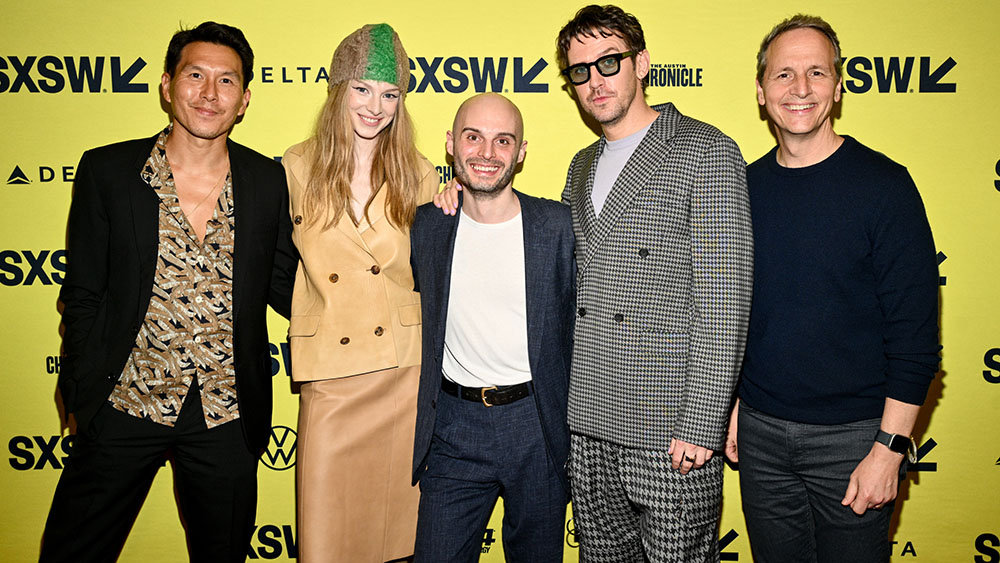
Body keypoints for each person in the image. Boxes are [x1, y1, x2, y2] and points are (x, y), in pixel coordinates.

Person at [40, 21, 297, 562]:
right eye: (196, 75)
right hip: (123, 401)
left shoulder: (267, 182)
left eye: (227, 81)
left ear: (245, 98)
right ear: (166, 84)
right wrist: (86, 394)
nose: (210, 93)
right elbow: (82, 292)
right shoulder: (109, 170)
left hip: (226, 415)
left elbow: (289, 287)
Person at [724, 15, 939, 563]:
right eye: (784, 74)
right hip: (761, 435)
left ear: (838, 87)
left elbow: (915, 341)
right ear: (760, 90)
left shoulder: (885, 187)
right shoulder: (741, 188)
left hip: (855, 439)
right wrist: (732, 408)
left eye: (816, 72)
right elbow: (737, 314)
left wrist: (889, 450)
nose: (800, 89)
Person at [281, 23, 439, 563]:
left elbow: (432, 269)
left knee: (399, 537)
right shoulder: (294, 167)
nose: (376, 106)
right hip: (331, 372)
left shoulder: (419, 173)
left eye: (390, 94)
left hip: (403, 372)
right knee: (326, 538)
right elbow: (277, 266)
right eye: (363, 89)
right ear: (338, 89)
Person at [409, 93, 575, 562]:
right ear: (450, 144)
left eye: (503, 140)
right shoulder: (428, 225)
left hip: (538, 425)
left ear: (521, 152)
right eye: (473, 137)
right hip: (454, 428)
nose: (487, 153)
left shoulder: (558, 226)